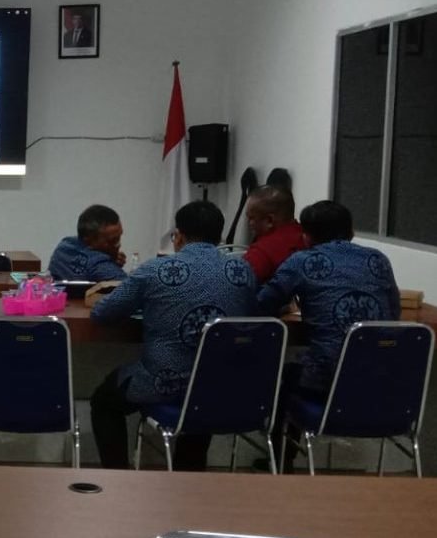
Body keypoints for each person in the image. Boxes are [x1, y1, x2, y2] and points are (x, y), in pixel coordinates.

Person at [89, 201, 257, 471]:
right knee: (203, 388)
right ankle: (188, 476)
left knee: (104, 402)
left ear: (178, 235)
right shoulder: (243, 272)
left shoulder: (154, 270)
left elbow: (103, 314)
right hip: (218, 384)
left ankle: (117, 478)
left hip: (162, 383)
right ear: (220, 236)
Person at [257, 200, 400, 469]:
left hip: (327, 381)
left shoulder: (302, 262)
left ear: (306, 237)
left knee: (282, 375)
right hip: (382, 382)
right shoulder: (377, 260)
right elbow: (394, 312)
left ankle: (280, 462)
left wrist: (286, 304)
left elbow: (261, 303)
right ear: (352, 232)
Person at [242, 185, 309, 284]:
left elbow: (236, 289)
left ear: (269, 220)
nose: (249, 223)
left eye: (252, 218)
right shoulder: (310, 238)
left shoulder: (261, 253)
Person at [48, 204, 129, 282]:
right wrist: (112, 266)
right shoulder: (99, 264)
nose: (118, 244)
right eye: (111, 241)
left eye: (119, 237)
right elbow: (131, 289)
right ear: (89, 239)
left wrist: (112, 262)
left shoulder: (64, 245)